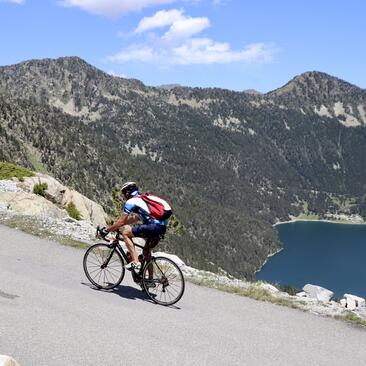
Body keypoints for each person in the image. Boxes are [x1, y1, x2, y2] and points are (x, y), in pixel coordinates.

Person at [99, 181, 169, 271]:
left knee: (125, 233)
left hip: (152, 226)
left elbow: (121, 221)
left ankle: (135, 262)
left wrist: (107, 230)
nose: (124, 196)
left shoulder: (131, 202)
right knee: (146, 252)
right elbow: (133, 219)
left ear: (128, 192)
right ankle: (150, 280)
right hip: (161, 228)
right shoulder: (143, 199)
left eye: (124, 193)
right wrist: (116, 226)